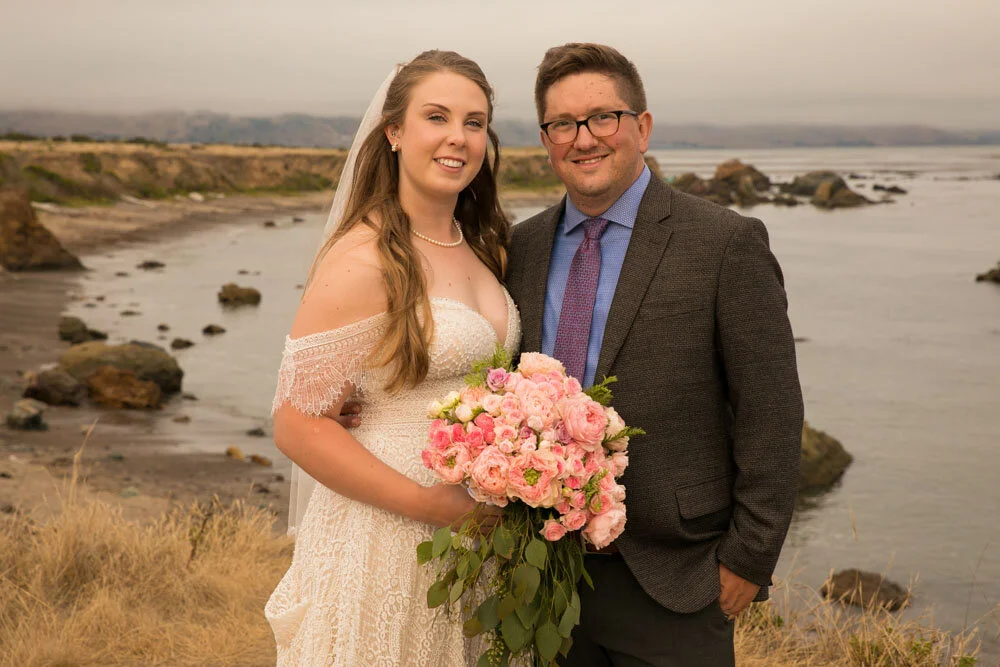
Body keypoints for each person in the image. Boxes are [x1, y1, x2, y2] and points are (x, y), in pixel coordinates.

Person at [505, 43, 804, 666]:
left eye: (602, 117)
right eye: (563, 123)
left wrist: (748, 560)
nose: (583, 138)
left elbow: (770, 413)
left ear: (642, 126)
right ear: (545, 138)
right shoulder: (522, 248)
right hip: (546, 575)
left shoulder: (725, 243)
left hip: (677, 578)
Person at [264, 50, 520, 666]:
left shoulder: (483, 245)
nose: (457, 137)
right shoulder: (365, 256)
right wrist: (431, 504)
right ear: (395, 132)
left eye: (474, 121)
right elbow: (296, 424)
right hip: (384, 536)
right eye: (437, 117)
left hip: (470, 544)